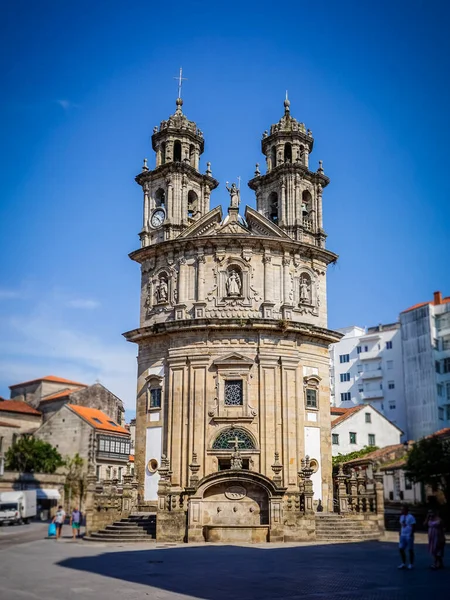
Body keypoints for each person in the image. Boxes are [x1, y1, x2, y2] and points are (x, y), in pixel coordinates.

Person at [398, 505, 416, 569]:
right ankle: (403, 563)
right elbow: (401, 525)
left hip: (409, 534)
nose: (401, 511)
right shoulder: (401, 517)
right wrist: (400, 531)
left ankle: (411, 564)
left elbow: (413, 525)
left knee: (410, 549)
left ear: (406, 510)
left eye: (402, 509)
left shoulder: (411, 517)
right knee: (401, 549)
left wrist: (411, 533)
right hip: (403, 534)